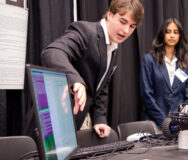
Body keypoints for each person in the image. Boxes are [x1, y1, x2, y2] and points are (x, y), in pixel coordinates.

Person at [41, 0, 144, 138]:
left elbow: (101, 87)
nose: (126, 31)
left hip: (79, 121)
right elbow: (52, 52)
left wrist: (99, 119)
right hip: (54, 120)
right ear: (110, 14)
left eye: (132, 26)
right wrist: (75, 81)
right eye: (123, 21)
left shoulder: (114, 46)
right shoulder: (85, 31)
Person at [140, 18, 188, 128]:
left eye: (176, 32)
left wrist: (179, 120)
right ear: (162, 34)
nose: (172, 36)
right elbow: (146, 94)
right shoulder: (149, 60)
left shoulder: (187, 63)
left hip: (179, 124)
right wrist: (164, 121)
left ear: (180, 36)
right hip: (154, 123)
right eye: (168, 31)